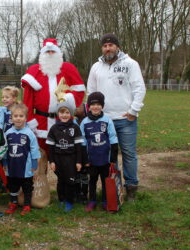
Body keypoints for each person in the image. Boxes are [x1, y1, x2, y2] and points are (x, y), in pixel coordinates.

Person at [87, 33, 146, 201]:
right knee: (110, 156)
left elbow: (139, 88)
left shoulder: (130, 64)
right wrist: (93, 114)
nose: (108, 48)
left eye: (111, 45)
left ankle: (132, 188)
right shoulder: (96, 67)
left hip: (125, 119)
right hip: (103, 120)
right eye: (105, 46)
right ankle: (114, 189)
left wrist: (134, 111)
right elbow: (91, 92)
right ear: (102, 48)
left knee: (128, 153)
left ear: (117, 47)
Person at [22, 38, 85, 157]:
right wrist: (29, 120)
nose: (50, 54)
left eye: (53, 52)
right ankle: (42, 175)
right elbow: (27, 100)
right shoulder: (33, 71)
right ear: (42, 54)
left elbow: (79, 90)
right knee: (41, 156)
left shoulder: (68, 68)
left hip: (63, 119)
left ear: (58, 53)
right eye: (47, 52)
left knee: (65, 154)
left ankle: (66, 175)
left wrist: (68, 98)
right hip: (40, 122)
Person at [80, 92, 118, 211]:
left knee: (105, 180)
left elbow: (113, 138)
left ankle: (105, 201)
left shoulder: (107, 121)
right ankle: (92, 200)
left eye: (98, 104)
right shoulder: (84, 122)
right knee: (92, 180)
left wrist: (113, 157)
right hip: (91, 159)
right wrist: (85, 159)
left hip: (105, 159)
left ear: (102, 106)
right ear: (89, 107)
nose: (95, 107)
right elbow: (82, 142)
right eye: (93, 104)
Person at [3, 104, 41, 215]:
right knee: (13, 186)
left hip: (26, 168)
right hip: (12, 167)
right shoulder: (8, 133)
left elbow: (34, 150)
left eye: (21, 116)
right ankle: (13, 203)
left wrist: (34, 165)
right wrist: (5, 162)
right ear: (11, 118)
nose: (18, 118)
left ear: (25, 118)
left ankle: (27, 205)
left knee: (27, 187)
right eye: (15, 116)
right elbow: (5, 149)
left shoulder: (29, 133)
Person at [46, 101, 84, 212]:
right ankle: (61, 200)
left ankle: (69, 201)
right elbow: (51, 148)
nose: (64, 115)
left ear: (71, 113)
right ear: (58, 114)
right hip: (58, 159)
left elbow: (78, 147)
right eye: (62, 112)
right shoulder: (54, 128)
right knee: (61, 180)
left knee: (70, 181)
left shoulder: (75, 128)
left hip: (71, 159)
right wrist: (51, 161)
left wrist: (78, 161)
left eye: (67, 112)